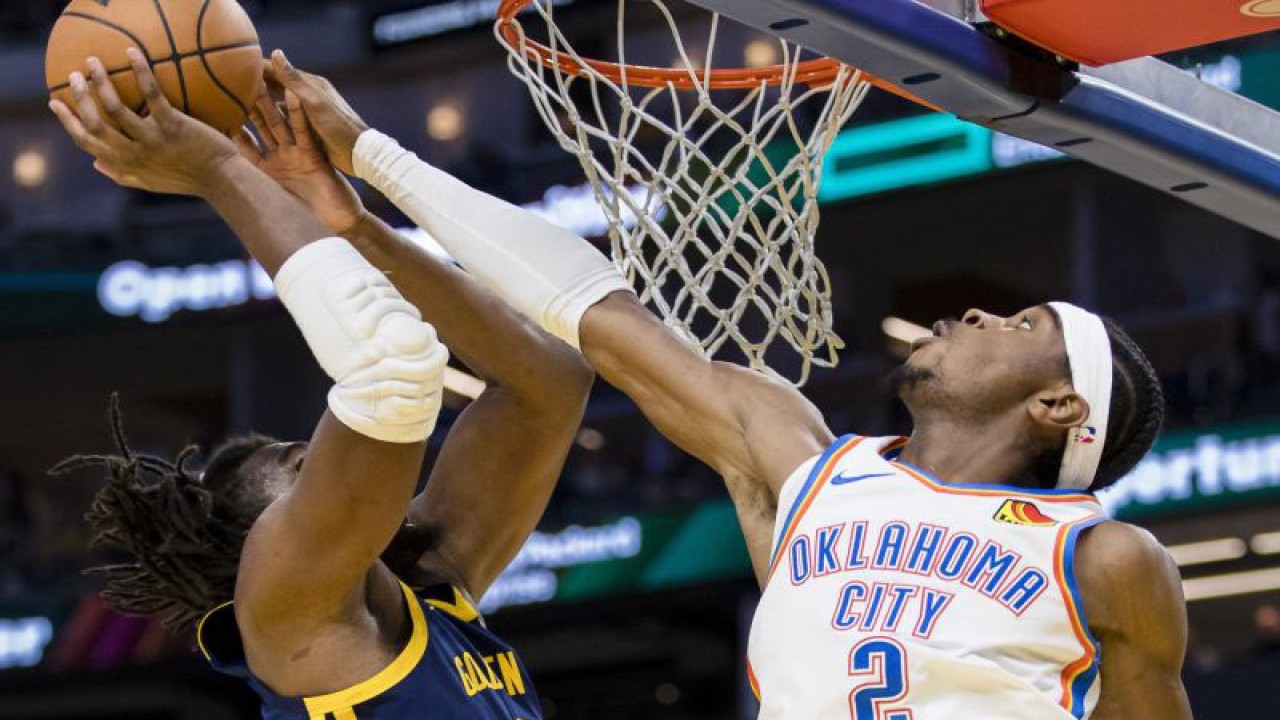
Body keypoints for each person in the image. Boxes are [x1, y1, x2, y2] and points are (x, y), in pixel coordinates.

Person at [269, 51, 1191, 720]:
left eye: (1024, 327)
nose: (985, 316)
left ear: (1059, 407)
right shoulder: (803, 466)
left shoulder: (1105, 559)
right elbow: (594, 307)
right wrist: (371, 167)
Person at [49, 49, 593, 719]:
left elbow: (546, 386)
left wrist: (355, 228)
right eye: (305, 465)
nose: (351, 459)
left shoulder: (428, 590)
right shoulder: (283, 609)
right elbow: (391, 371)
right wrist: (217, 170)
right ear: (261, 540)